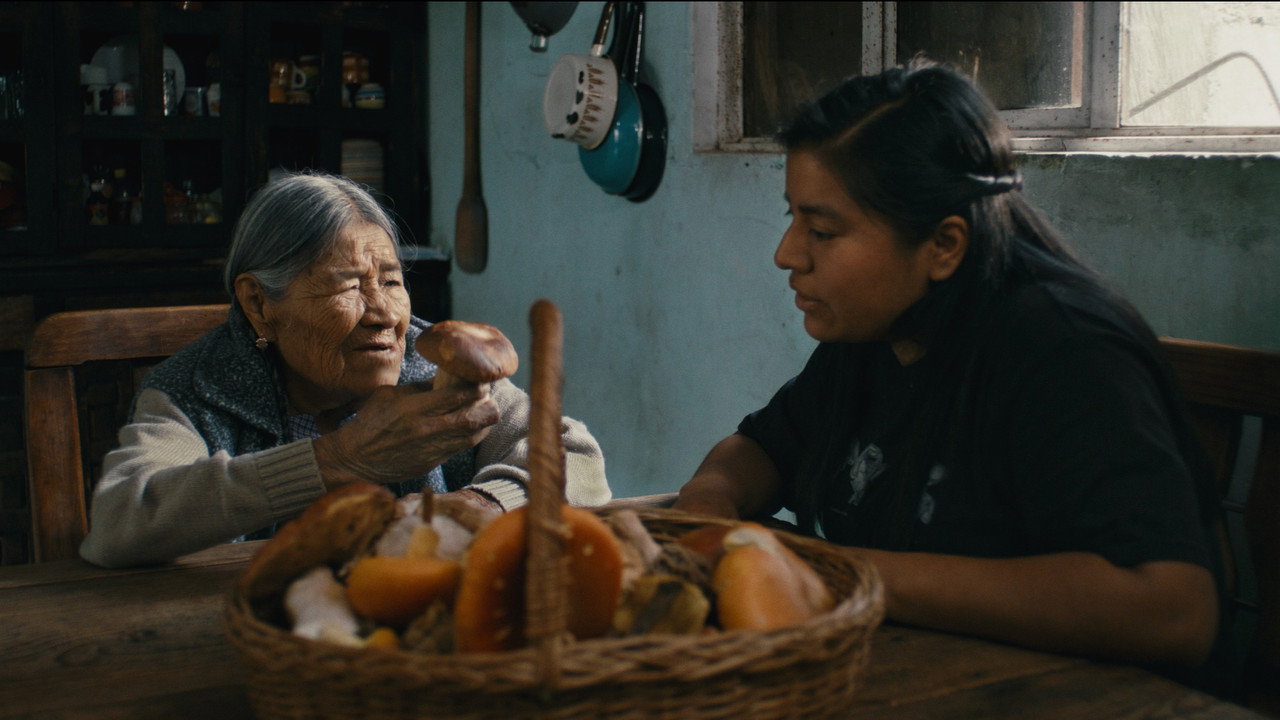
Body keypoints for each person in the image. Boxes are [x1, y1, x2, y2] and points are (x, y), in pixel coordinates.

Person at [672, 61, 1236, 696]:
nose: (788, 253)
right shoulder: (878, 330)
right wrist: (709, 504)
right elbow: (760, 449)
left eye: (822, 230)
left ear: (944, 245)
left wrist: (841, 572)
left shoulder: (1063, 353)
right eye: (794, 218)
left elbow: (1173, 609)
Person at [80, 172, 610, 568]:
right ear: (259, 304)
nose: (384, 314)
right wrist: (338, 460)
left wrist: (483, 503)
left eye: (392, 280)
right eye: (348, 285)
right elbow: (119, 521)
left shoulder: (444, 364)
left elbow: (575, 457)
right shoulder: (197, 391)